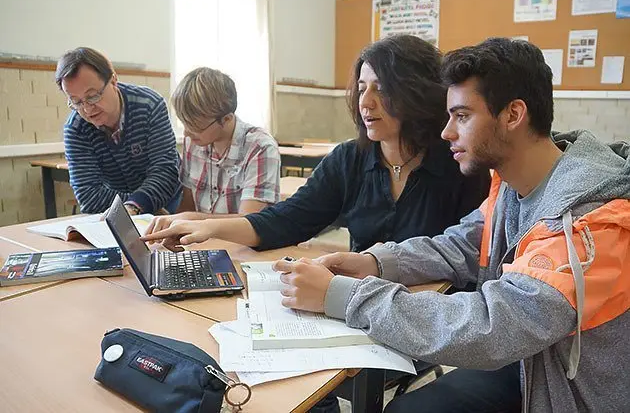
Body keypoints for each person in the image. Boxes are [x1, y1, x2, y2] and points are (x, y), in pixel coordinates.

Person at [270, 38, 630, 412]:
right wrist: (375, 263)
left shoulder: (588, 218)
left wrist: (346, 296)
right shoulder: (515, 183)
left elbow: (493, 326)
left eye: (462, 116)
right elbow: (461, 245)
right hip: (532, 362)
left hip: (571, 393)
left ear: (512, 115)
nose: (446, 132)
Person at [143, 35, 490, 254]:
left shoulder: (459, 164)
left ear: (416, 92)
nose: (365, 103)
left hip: (427, 318)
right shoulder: (348, 161)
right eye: (362, 87)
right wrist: (205, 226)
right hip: (359, 305)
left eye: (381, 88)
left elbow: (471, 259)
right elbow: (286, 220)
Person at [145, 67, 280, 227]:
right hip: (201, 244)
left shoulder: (260, 147)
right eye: (184, 124)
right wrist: (173, 224)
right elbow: (188, 204)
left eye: (196, 127)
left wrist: (191, 219)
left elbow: (250, 222)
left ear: (227, 119)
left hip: (244, 247)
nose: (187, 134)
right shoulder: (194, 143)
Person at [56, 47, 181, 215]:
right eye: (76, 102)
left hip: (169, 202)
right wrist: (137, 205)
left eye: (93, 96)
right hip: (123, 211)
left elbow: (165, 170)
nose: (87, 109)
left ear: (113, 80)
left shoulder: (149, 105)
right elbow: (89, 195)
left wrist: (137, 205)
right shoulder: (76, 128)